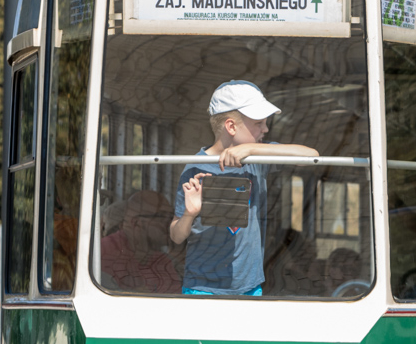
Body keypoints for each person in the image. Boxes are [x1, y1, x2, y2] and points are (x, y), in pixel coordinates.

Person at [171, 80, 317, 296]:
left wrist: (250, 149)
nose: (266, 129)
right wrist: (189, 214)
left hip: (249, 286)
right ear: (231, 127)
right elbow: (176, 236)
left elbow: (311, 156)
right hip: (202, 286)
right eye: (259, 123)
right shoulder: (195, 167)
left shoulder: (257, 159)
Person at [100, 189, 180, 293]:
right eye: (162, 216)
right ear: (136, 223)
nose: (170, 223)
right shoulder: (104, 253)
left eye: (171, 216)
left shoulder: (163, 262)